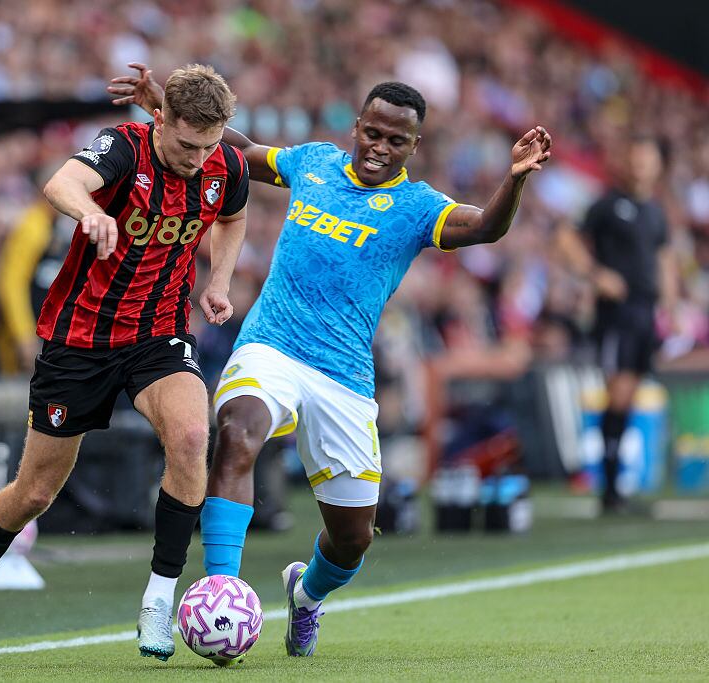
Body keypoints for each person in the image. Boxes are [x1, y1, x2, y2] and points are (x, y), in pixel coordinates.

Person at [110, 63, 551, 656]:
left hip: (343, 376)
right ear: (358, 127)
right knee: (237, 432)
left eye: (396, 140)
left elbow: (484, 228)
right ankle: (221, 588)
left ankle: (306, 595)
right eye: (373, 131)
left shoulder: (419, 207)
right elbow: (235, 148)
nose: (380, 146)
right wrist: (163, 105)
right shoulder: (313, 163)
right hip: (272, 346)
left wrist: (515, 180)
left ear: (413, 146)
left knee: (352, 540)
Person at [0, 64, 249, 665]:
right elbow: (61, 182)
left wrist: (220, 279)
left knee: (191, 434)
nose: (197, 159)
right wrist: (91, 210)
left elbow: (234, 217)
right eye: (187, 145)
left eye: (209, 146)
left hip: (158, 334)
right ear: (159, 120)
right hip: (79, 338)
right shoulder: (123, 147)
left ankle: (160, 597)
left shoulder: (223, 166)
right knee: (34, 493)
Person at [556, 135, 676, 513]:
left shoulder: (655, 211)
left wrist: (670, 302)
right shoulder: (607, 205)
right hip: (617, 313)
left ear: (657, 166)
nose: (641, 167)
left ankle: (613, 484)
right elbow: (566, 237)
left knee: (632, 390)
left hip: (645, 312)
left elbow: (664, 257)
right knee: (619, 391)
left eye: (647, 160)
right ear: (626, 163)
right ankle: (610, 485)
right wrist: (595, 274)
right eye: (636, 159)